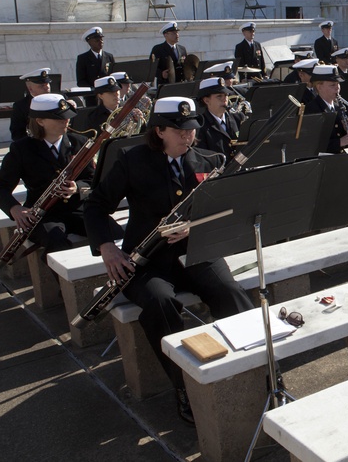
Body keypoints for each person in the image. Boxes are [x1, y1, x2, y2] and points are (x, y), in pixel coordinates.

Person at [85, 96, 252, 425]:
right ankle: (183, 385)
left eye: (190, 129)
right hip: (147, 262)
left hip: (196, 254)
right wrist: (107, 247)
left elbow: (227, 211)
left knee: (229, 292)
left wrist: (196, 225)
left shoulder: (210, 158)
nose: (188, 136)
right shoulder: (132, 160)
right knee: (161, 303)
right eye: (179, 130)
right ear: (159, 130)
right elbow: (96, 205)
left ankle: (253, 365)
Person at [0, 93, 101, 255]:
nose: (66, 120)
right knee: (58, 245)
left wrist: (77, 187)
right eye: (59, 118)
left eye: (67, 116)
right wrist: (14, 208)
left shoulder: (80, 143)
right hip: (43, 215)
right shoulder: (22, 149)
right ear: (40, 121)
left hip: (78, 209)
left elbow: (93, 179)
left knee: (113, 233)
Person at [195, 77, 240, 158]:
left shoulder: (238, 118)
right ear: (206, 100)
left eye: (226, 95)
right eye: (219, 96)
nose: (224, 100)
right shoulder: (200, 125)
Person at [10, 68, 54, 141]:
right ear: (30, 89)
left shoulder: (59, 99)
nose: (47, 88)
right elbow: (17, 133)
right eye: (42, 86)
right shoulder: (21, 106)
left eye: (47, 84)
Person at [75, 27, 115, 102]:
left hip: (108, 96)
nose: (100, 42)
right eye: (97, 40)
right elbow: (81, 81)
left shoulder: (109, 56)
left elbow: (113, 75)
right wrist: (95, 90)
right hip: (92, 97)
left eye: (101, 39)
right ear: (90, 42)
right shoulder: (83, 58)